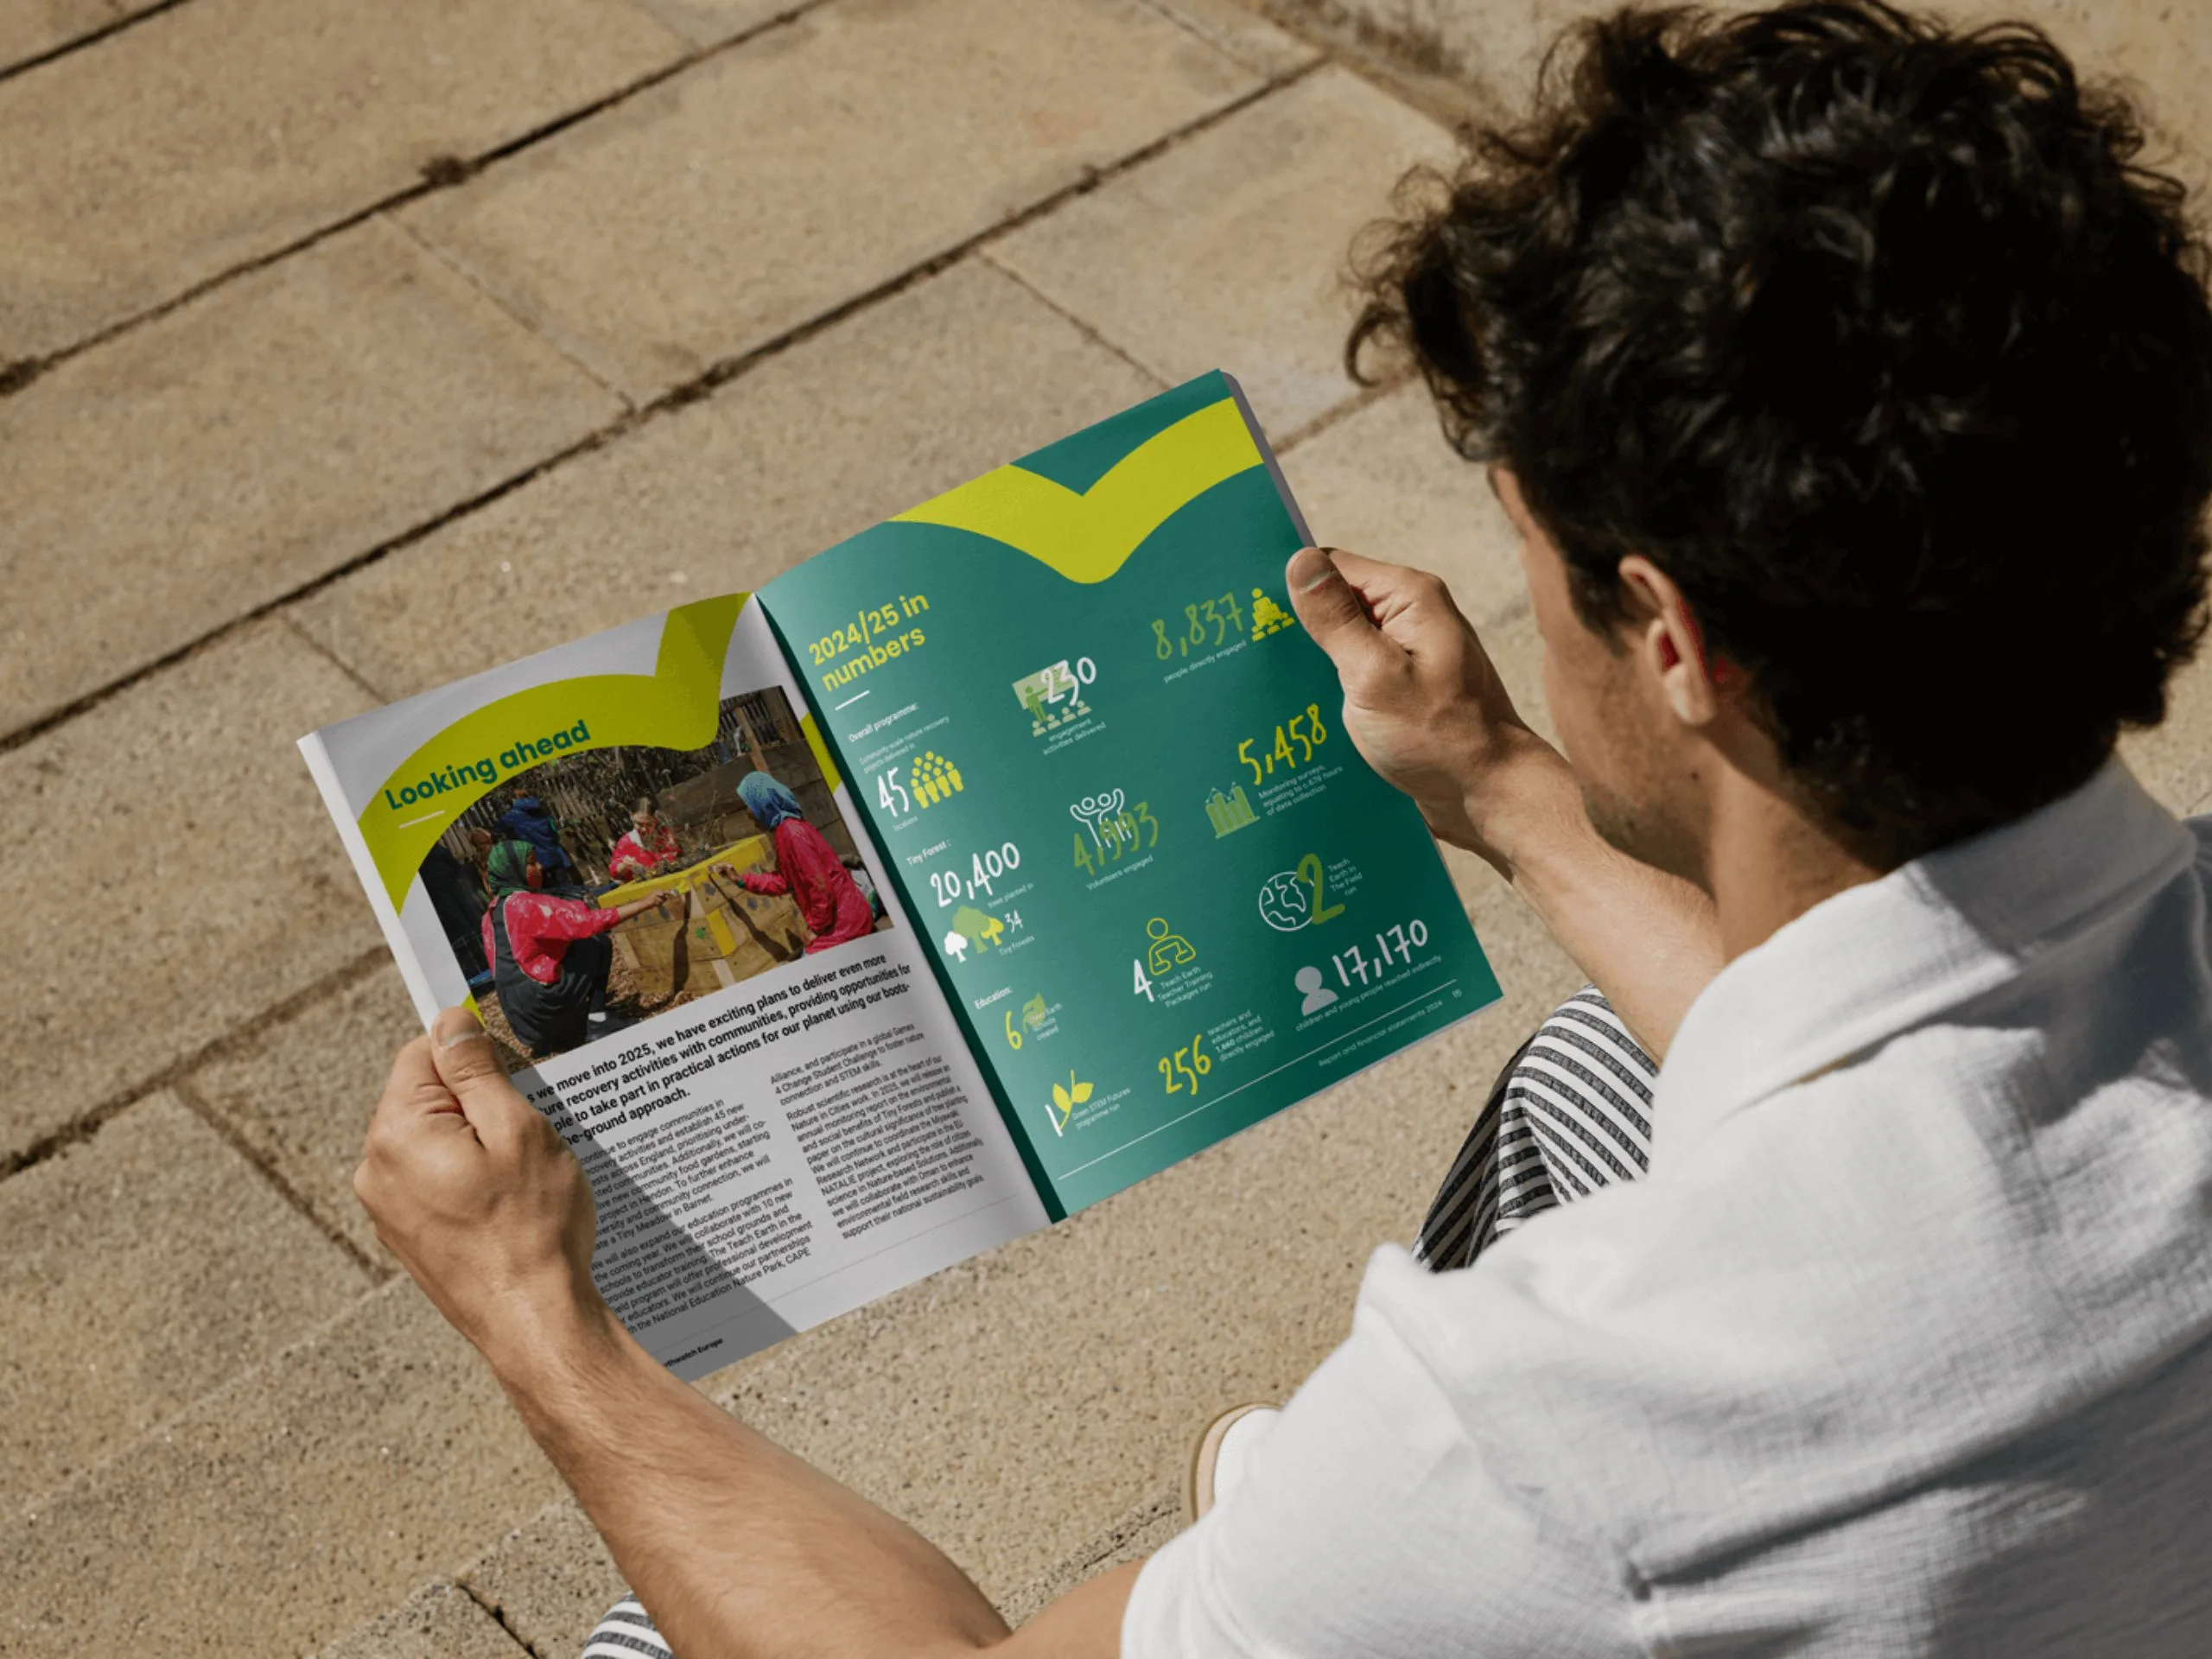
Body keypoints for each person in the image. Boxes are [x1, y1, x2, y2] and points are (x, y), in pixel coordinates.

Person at [352, 5, 2212, 1655]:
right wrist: (1494, 781)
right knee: (1595, 1070)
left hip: (1533, 1525)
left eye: (1533, 558)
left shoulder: (1572, 1418)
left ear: (1667, 637)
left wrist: (543, 1329)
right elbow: (1888, 1066)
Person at [480, 840, 677, 1058]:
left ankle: (555, 1036)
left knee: (569, 949)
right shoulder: (524, 904)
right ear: (514, 869)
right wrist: (645, 903)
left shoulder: (490, 914)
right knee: (595, 944)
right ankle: (597, 1021)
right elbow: (587, 923)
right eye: (532, 863)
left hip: (521, 1018)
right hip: (541, 1004)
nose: (540, 868)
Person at [709, 772, 875, 955]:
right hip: (840, 918)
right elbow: (785, 881)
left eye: (748, 805)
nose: (747, 814)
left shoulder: (792, 834)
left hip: (844, 924)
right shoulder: (785, 831)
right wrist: (740, 880)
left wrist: (816, 929)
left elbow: (820, 887)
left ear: (764, 805)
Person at [498, 794, 581, 889]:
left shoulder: (512, 816)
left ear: (515, 800)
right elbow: (552, 831)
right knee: (565, 884)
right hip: (553, 852)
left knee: (545, 889)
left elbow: (496, 829)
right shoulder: (540, 810)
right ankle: (574, 901)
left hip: (535, 858)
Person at [609, 796, 684, 883]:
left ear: (656, 821)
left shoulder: (664, 834)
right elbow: (614, 872)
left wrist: (674, 849)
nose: (644, 829)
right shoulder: (626, 842)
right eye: (639, 824)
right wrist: (623, 866)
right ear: (632, 817)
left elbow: (676, 857)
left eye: (649, 825)